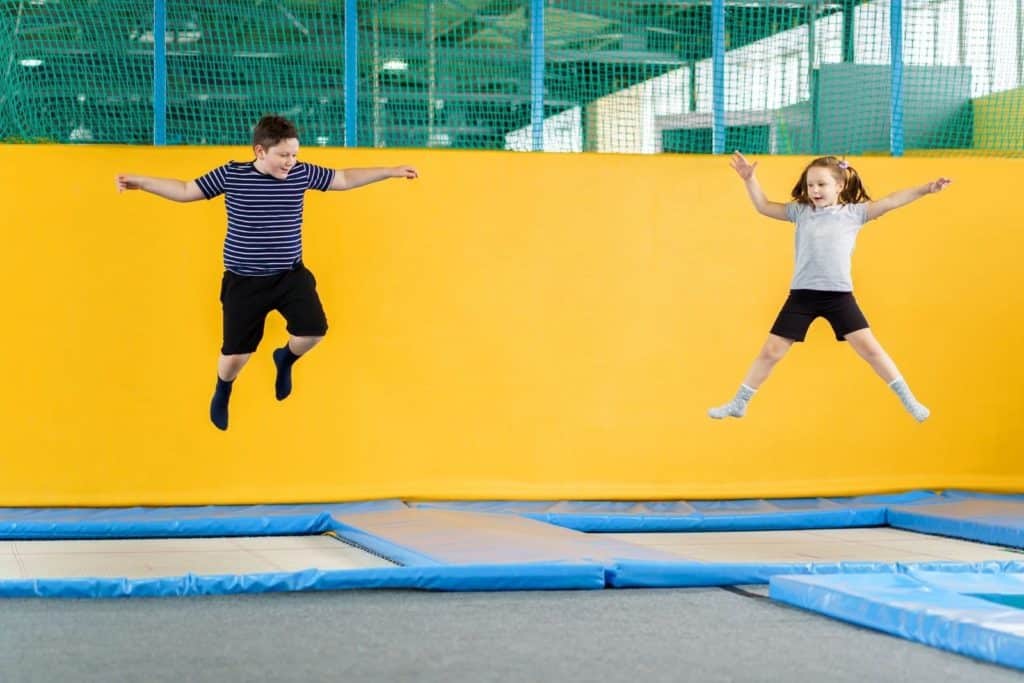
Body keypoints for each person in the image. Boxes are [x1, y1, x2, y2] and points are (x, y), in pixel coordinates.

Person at [116, 114, 418, 430]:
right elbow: (185, 190)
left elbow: (342, 179)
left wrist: (390, 172)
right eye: (283, 155)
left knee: (313, 331)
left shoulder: (301, 174)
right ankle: (223, 388)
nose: (290, 162)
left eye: (295, 154)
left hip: (289, 275)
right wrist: (141, 182)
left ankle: (284, 358)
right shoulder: (233, 175)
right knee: (235, 357)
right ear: (260, 151)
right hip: (244, 282)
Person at [709, 151, 950, 423]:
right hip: (802, 297)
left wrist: (926, 189)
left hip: (839, 297)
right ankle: (739, 402)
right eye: (810, 185)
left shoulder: (855, 214)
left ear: (840, 185)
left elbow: (892, 200)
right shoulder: (800, 212)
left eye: (821, 184)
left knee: (871, 351)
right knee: (771, 351)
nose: (814, 190)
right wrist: (749, 179)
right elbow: (763, 206)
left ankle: (909, 400)